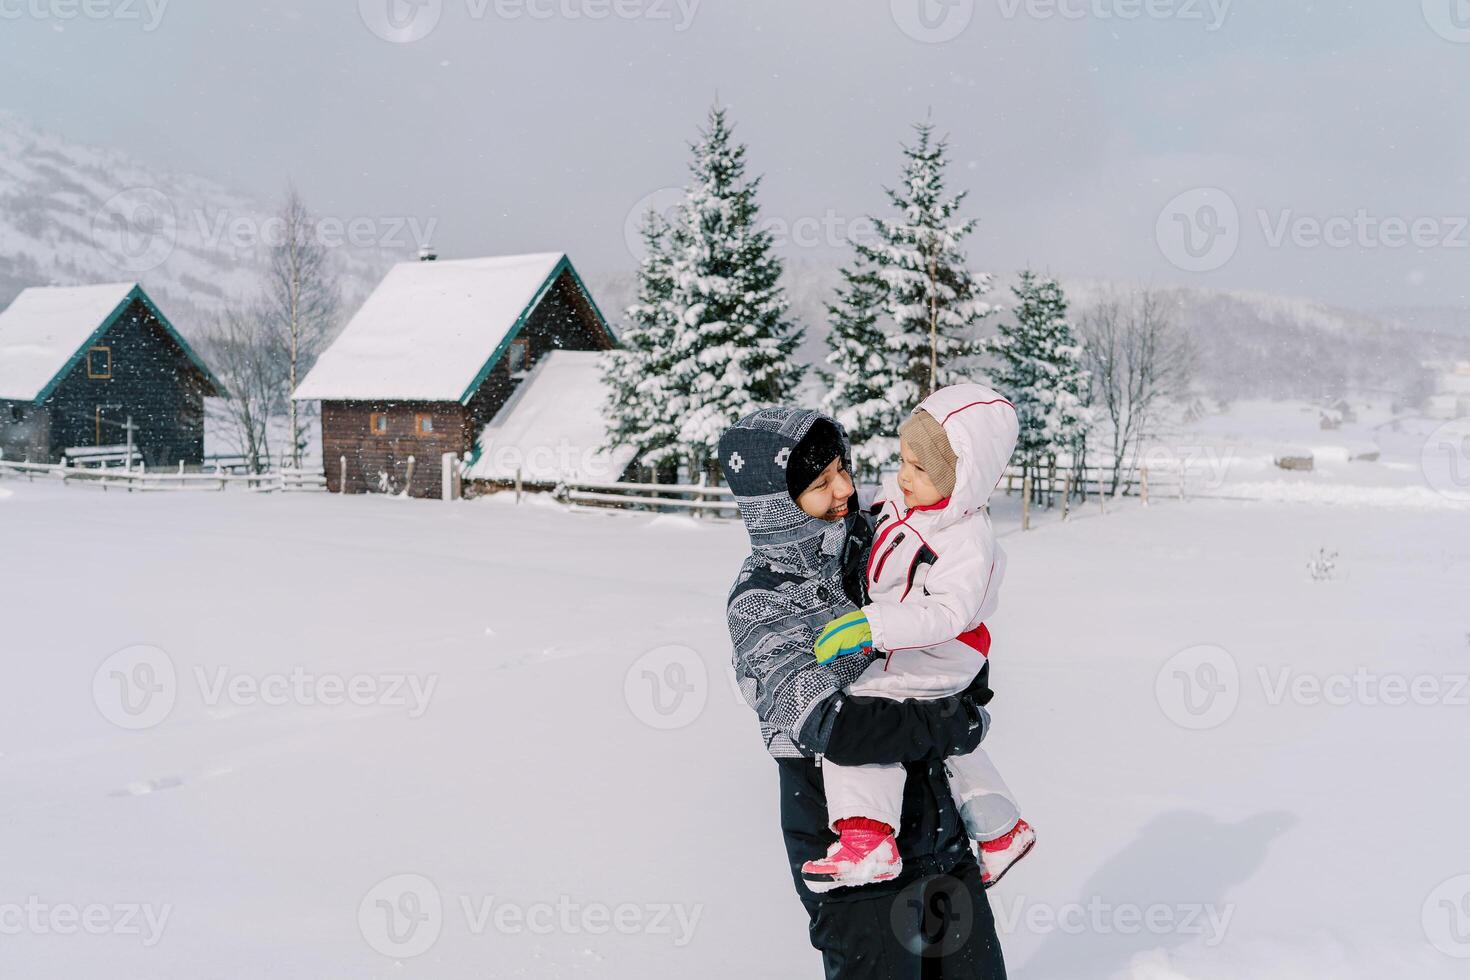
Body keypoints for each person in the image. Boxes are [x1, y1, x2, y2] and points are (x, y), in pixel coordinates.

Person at [720, 406, 1007, 979]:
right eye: (821, 483)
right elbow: (834, 727)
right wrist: (951, 723)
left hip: (935, 826)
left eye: (842, 470)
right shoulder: (761, 601)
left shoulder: (877, 542)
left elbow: (950, 634)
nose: (846, 489)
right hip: (848, 846)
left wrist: (965, 682)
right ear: (775, 503)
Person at [802, 384, 1036, 894]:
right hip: (914, 642)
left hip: (943, 646)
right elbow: (875, 516)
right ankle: (1001, 830)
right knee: (943, 733)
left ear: (962, 477)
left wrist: (875, 625)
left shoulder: (966, 538)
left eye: (920, 468)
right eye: (902, 460)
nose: (903, 475)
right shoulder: (910, 497)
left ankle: (867, 838)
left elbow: (949, 611)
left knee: (864, 707)